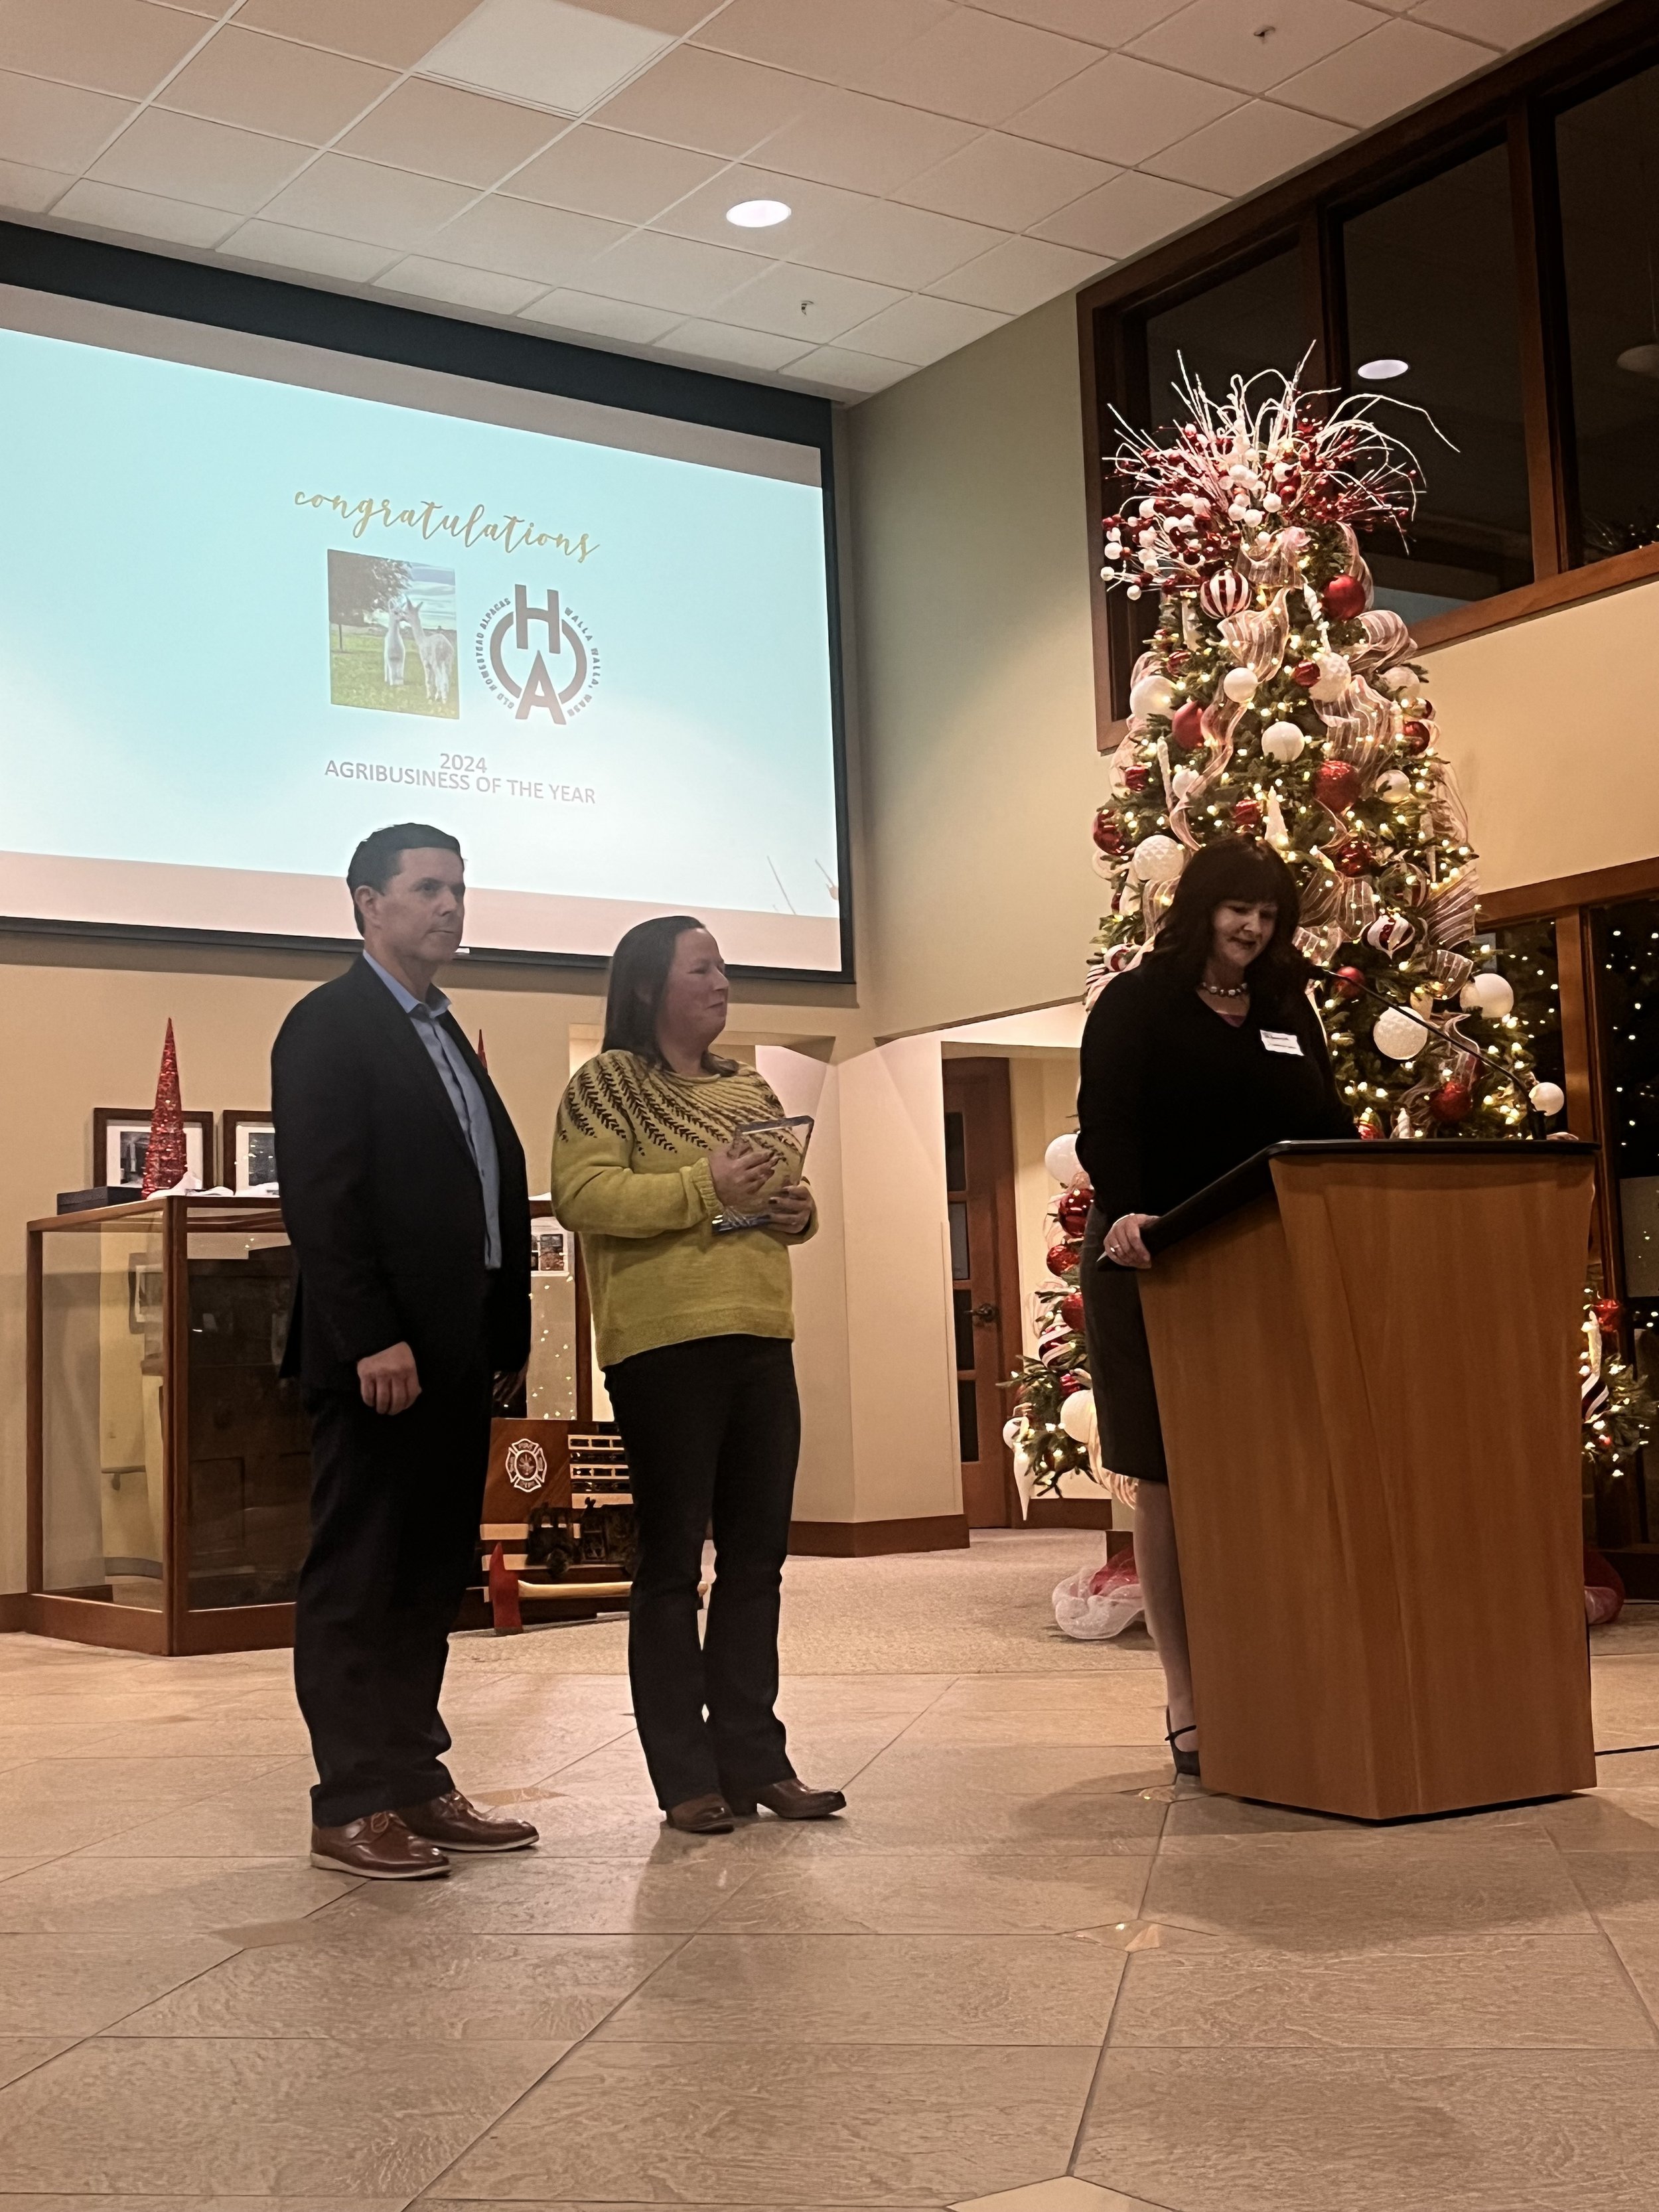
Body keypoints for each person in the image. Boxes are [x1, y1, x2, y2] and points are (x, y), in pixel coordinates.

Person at [273, 824, 535, 1879]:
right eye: (427, 888)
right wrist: (372, 1332)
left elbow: (487, 1200)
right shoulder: (328, 1027)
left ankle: (417, 1782)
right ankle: (351, 1799)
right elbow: (324, 1205)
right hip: (380, 1357)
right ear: (365, 904)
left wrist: (505, 1334)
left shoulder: (447, 1033)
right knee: (359, 1576)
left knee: (428, 1575)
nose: (450, 906)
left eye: (460, 889)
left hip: (460, 1349)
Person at [549, 915, 843, 1835]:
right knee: (673, 1566)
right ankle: (685, 1776)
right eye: (702, 967)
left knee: (758, 1562)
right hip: (662, 1347)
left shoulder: (751, 1084)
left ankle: (759, 1760)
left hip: (762, 1334)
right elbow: (582, 1195)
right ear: (647, 987)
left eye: (724, 967)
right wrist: (703, 1186)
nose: (722, 981)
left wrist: (796, 1209)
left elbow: (783, 1206)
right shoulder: (604, 1086)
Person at [1076, 837, 1354, 1781]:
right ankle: (1189, 1695)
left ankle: (1277, 1677)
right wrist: (1133, 1210)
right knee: (1169, 1475)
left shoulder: (1283, 1006)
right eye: (1239, 909)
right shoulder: (1136, 1003)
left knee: (1273, 1467)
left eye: (1270, 915)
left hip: (1267, 1264)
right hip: (1152, 1254)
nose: (1254, 928)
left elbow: (1328, 1123)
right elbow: (1105, 1124)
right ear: (1200, 908)